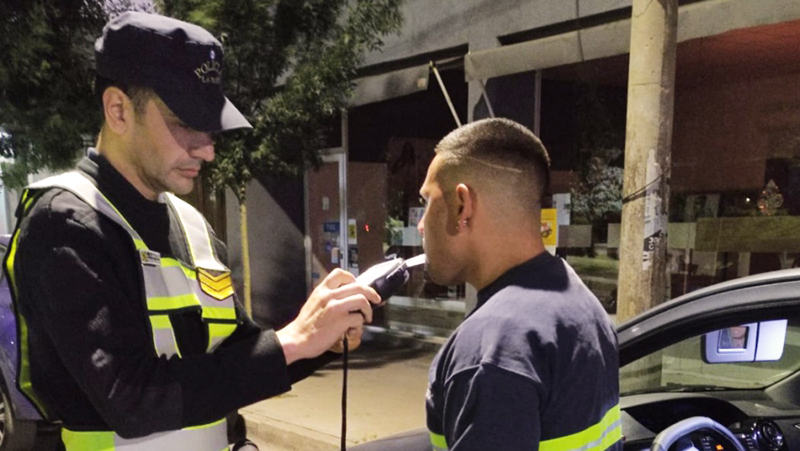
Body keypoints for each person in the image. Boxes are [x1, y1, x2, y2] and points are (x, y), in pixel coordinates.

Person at [3, 12, 379, 451]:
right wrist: (294, 342)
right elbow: (131, 398)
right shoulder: (65, 225)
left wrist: (320, 337)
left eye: (211, 128)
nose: (208, 150)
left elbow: (236, 354)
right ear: (119, 110)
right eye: (185, 124)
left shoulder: (190, 223)